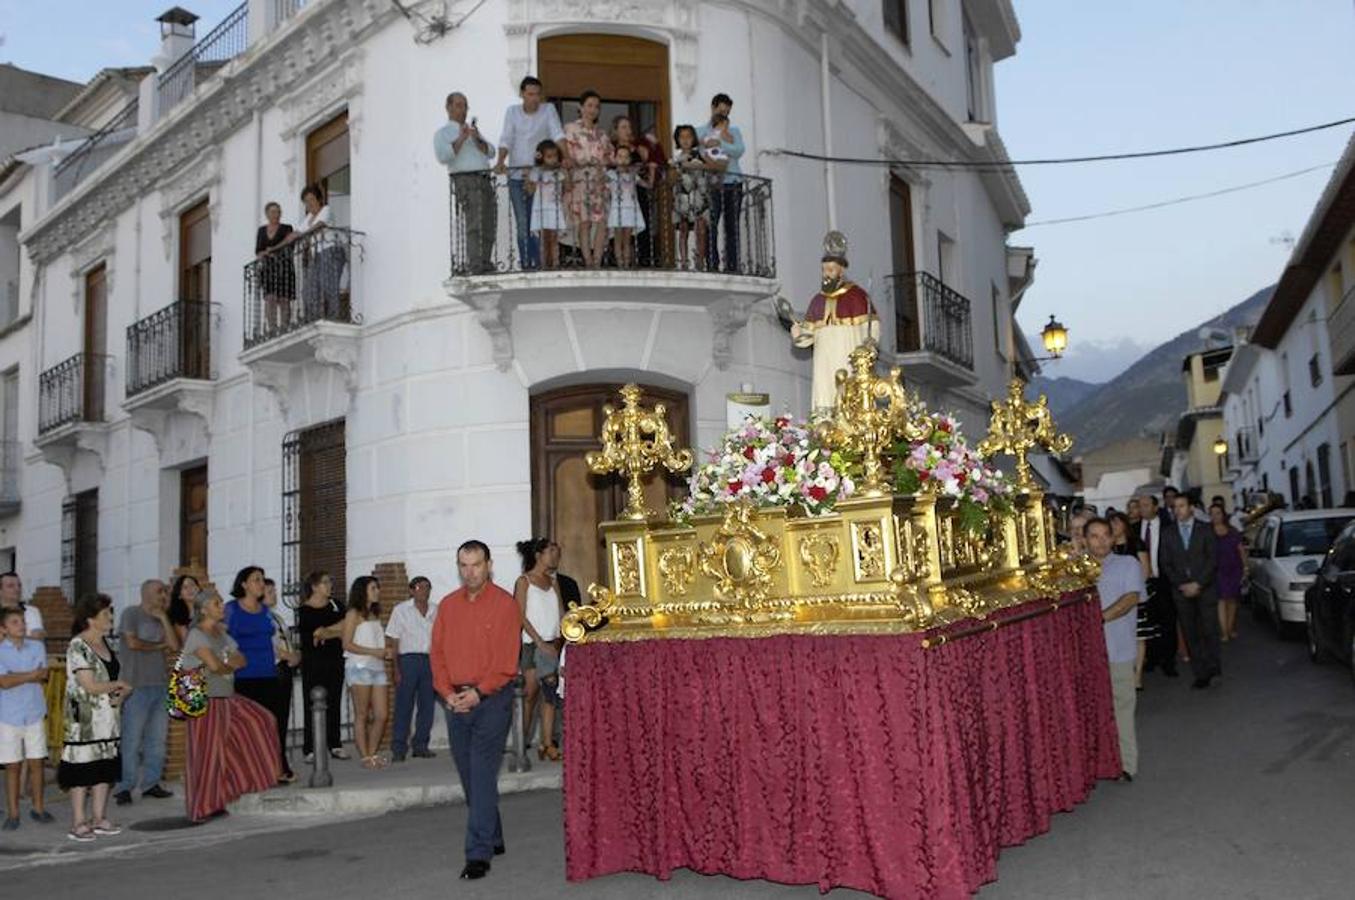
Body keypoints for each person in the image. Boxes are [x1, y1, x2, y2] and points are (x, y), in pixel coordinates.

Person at [431, 540, 521, 881]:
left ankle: (478, 853)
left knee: (482, 772)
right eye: (463, 565)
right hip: (455, 701)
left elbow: (506, 662)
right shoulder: (448, 606)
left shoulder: (505, 605)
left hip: (491, 701)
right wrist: (446, 693)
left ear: (489, 565)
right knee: (470, 776)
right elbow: (436, 655)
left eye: (476, 565)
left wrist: (478, 694)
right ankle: (494, 835)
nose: (470, 572)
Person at [180, 591, 280, 823]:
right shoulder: (196, 634)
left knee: (260, 721)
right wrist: (227, 663)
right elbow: (215, 666)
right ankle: (200, 808)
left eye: (221, 602)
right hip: (205, 700)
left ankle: (221, 796)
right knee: (206, 754)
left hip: (225, 697)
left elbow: (241, 659)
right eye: (216, 603)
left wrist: (226, 663)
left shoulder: (221, 633)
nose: (221, 606)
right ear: (203, 608)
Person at [60, 594, 129, 842]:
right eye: (105, 614)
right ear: (90, 619)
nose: (110, 618)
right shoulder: (78, 645)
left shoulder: (106, 645)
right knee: (81, 771)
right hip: (85, 722)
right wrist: (118, 684)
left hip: (108, 720)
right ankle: (78, 821)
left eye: (110, 613)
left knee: (103, 770)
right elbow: (88, 685)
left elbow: (109, 684)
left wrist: (121, 695)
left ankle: (99, 818)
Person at [790, 231, 881, 415]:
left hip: (848, 357)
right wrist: (797, 334)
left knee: (848, 399)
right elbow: (808, 337)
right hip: (824, 360)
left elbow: (871, 329)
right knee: (825, 400)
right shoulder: (817, 300)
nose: (827, 274)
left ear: (841, 270)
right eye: (824, 270)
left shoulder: (857, 296)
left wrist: (870, 344)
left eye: (831, 270)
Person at [1085, 518, 1143, 782]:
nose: (1100, 541)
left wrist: (1098, 618)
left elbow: (1131, 599)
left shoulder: (1128, 564)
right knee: (1092, 711)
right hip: (1085, 656)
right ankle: (1098, 763)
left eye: (1105, 535)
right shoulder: (1075, 572)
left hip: (1119, 651)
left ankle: (1127, 764)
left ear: (1113, 538)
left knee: (1122, 708)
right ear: (1085, 540)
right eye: (1094, 536)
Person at [113, 579, 178, 806]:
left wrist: (162, 618)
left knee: (157, 740)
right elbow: (132, 643)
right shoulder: (131, 613)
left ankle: (151, 783)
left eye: (165, 591)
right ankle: (125, 786)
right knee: (131, 739)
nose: (163, 595)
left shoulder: (161, 618)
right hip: (135, 685)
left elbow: (174, 645)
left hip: (160, 685)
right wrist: (159, 647)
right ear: (146, 592)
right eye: (159, 591)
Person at [226, 566, 294, 783]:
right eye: (256, 579)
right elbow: (220, 637)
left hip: (268, 674)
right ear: (244, 584)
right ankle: (245, 773)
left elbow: (271, 641)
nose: (261, 584)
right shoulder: (232, 609)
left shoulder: (265, 611)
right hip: (243, 677)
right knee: (246, 728)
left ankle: (271, 771)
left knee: (270, 724)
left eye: (262, 580)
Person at [495, 76, 566, 269]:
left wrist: (565, 158)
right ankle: (528, 264)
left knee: (541, 222)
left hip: (541, 179)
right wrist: (500, 161)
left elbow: (557, 134)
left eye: (537, 94)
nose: (534, 98)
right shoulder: (512, 112)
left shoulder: (548, 110)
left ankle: (542, 262)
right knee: (522, 224)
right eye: (530, 94)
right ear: (522, 94)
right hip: (517, 177)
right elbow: (506, 138)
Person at [1159, 494, 1221, 689]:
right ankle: (1200, 673)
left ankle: (1214, 666)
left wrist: (1199, 583)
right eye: (1175, 507)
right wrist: (1182, 585)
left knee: (1209, 630)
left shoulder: (1205, 530)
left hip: (1205, 588)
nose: (1178, 510)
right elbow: (1165, 563)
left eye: (1182, 506)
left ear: (1191, 508)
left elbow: (1212, 559)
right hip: (1182, 591)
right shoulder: (1167, 533)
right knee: (1190, 632)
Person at [0, 606, 52, 830]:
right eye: (14, 622)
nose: (21, 625)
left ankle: (38, 808)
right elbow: (4, 682)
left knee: (37, 762)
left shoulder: (37, 646)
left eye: (22, 621)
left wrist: (16, 676)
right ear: (3, 628)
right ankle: (13, 813)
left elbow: (44, 675)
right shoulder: (0, 650)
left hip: (33, 712)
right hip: (8, 715)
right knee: (12, 766)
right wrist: (30, 675)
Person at [435, 91, 497, 275]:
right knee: (475, 223)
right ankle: (476, 264)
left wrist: (476, 138)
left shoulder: (472, 131)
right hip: (466, 180)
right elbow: (444, 156)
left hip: (484, 179)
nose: (463, 110)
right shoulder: (443, 133)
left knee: (488, 222)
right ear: (448, 108)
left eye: (465, 106)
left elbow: (491, 152)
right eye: (459, 105)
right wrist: (461, 138)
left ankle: (485, 261)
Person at [515, 538, 564, 762]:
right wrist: (540, 643)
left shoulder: (553, 582)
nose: (555, 555)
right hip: (532, 645)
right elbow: (520, 616)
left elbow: (562, 615)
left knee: (549, 694)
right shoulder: (524, 581)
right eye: (551, 551)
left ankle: (546, 744)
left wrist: (559, 642)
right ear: (538, 555)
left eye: (557, 551)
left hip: (552, 645)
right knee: (530, 694)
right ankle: (520, 742)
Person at [386, 576, 441, 762]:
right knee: (404, 705)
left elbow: (441, 639)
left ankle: (421, 745)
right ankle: (399, 748)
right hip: (408, 660)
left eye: (427, 587)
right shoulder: (401, 610)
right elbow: (394, 640)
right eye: (419, 587)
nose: (423, 590)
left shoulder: (436, 610)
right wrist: (395, 668)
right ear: (411, 590)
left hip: (430, 660)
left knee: (427, 705)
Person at [297, 571, 348, 762]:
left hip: (335, 660)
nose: (330, 586)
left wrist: (327, 631)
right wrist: (334, 630)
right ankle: (310, 747)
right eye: (325, 582)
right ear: (314, 587)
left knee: (334, 701)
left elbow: (347, 625)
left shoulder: (337, 605)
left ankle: (334, 743)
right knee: (313, 702)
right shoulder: (305, 611)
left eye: (330, 581)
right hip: (313, 663)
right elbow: (314, 635)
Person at [562, 90, 615, 268]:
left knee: (601, 223)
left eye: (597, 107)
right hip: (580, 181)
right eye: (590, 105)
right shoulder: (570, 129)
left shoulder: (603, 134)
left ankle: (598, 260)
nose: (593, 110)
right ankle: (588, 260)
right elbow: (566, 157)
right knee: (584, 223)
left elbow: (610, 156)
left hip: (599, 181)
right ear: (581, 107)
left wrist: (605, 164)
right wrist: (567, 179)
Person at [343, 576, 391, 769]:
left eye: (377, 587)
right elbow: (347, 644)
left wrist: (385, 651)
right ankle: (365, 756)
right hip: (359, 667)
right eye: (373, 588)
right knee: (362, 713)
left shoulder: (374, 614)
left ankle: (372, 753)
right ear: (362, 591)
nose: (377, 591)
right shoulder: (353, 614)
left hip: (377, 667)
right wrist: (374, 652)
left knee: (381, 715)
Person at [697, 94, 747, 272]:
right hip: (712, 183)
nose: (724, 115)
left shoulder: (734, 132)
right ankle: (712, 263)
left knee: (731, 226)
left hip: (733, 182)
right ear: (713, 108)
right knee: (711, 223)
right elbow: (697, 149)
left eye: (727, 112)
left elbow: (739, 150)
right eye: (721, 111)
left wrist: (720, 142)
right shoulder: (701, 131)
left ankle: (732, 265)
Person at [1109, 512, 1156, 690]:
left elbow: (1145, 571)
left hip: (1135, 596)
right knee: (1122, 637)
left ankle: (1137, 676)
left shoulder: (1136, 544)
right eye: (1111, 524)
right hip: (1115, 599)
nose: (1114, 527)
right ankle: (1125, 673)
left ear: (1124, 525)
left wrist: (1133, 590)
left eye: (1117, 523)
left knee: (1139, 637)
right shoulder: (1109, 548)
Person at [288, 183, 346, 320]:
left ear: (319, 199)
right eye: (306, 201)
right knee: (308, 290)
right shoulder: (308, 218)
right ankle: (313, 319)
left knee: (329, 286)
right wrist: (276, 247)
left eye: (311, 199)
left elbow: (319, 226)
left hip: (331, 251)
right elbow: (296, 233)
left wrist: (303, 235)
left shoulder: (326, 210)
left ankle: (334, 317)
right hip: (317, 255)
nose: (309, 204)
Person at [263, 577, 301, 773]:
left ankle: (280, 762)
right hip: (271, 671)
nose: (274, 594)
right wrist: (288, 655)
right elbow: (271, 647)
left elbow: (286, 639)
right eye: (270, 592)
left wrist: (295, 654)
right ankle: (272, 765)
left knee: (282, 720)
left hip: (284, 669)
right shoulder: (260, 619)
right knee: (271, 721)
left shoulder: (277, 617)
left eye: (274, 591)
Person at [1138, 495, 1178, 679]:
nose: (1142, 508)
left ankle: (1169, 661)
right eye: (1140, 505)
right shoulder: (1135, 529)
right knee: (1149, 621)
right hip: (1143, 582)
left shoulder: (1168, 528)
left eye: (1146, 505)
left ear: (1155, 507)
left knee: (1167, 621)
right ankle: (1152, 658)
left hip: (1164, 580)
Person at [670, 124, 719, 270]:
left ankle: (699, 260)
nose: (685, 140)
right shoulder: (676, 159)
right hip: (683, 198)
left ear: (693, 139)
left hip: (699, 197)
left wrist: (697, 166)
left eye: (688, 136)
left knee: (701, 229)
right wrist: (676, 170)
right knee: (683, 229)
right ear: (678, 140)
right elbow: (671, 180)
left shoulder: (701, 155)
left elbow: (714, 168)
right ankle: (684, 261)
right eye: (682, 137)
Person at [254, 201, 296, 333]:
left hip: (284, 268)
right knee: (270, 298)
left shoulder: (286, 228)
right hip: (268, 269)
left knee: (284, 298)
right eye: (273, 212)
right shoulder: (261, 230)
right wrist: (264, 254)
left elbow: (290, 245)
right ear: (267, 214)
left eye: (278, 211)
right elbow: (258, 251)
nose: (276, 214)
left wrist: (272, 251)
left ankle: (284, 327)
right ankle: (272, 328)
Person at [606, 144, 649, 268]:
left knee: (627, 239)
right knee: (618, 238)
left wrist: (649, 168)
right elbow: (602, 185)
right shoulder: (610, 174)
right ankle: (620, 263)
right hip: (617, 209)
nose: (623, 160)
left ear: (630, 159)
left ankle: (626, 263)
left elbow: (647, 185)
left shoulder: (633, 175)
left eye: (626, 157)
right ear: (614, 158)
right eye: (620, 156)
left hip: (630, 210)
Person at [527, 140, 566, 269]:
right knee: (544, 238)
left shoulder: (559, 173)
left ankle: (555, 263)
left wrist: (565, 170)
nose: (553, 159)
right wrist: (530, 174)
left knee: (554, 238)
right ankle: (544, 263)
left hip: (554, 209)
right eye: (549, 156)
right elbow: (530, 190)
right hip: (542, 209)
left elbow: (568, 186)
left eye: (555, 156)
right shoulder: (537, 172)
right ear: (542, 157)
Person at [1210, 504, 1246, 641]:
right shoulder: (1207, 532)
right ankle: (1224, 632)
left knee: (1231, 600)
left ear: (1223, 514)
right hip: (1216, 570)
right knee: (1221, 600)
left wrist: (1245, 568)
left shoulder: (1232, 531)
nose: (1215, 516)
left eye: (1218, 513)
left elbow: (1241, 550)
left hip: (1234, 569)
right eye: (1212, 513)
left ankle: (1230, 628)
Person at [0, 572, 44, 641]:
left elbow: (37, 638)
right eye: (11, 586)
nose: (17, 589)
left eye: (19, 585)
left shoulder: (31, 611)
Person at [167, 574, 200, 644]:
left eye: (192, 585)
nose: (190, 589)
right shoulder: (178, 615)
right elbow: (186, 643)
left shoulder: (206, 610)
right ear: (179, 595)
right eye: (184, 587)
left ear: (198, 588)